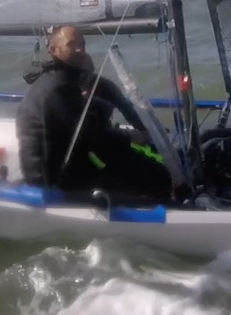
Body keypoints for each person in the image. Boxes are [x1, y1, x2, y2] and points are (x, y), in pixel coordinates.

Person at [15, 25, 174, 202]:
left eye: (82, 44)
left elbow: (88, 132)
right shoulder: (58, 88)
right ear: (54, 50)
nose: (79, 49)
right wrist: (129, 136)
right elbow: (91, 136)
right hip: (52, 181)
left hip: (64, 163)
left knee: (138, 167)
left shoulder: (57, 79)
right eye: (71, 44)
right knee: (154, 180)